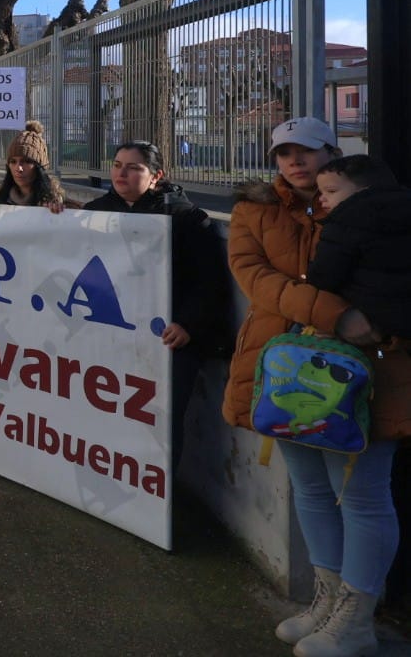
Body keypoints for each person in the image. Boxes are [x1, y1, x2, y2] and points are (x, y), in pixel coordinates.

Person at [222, 117, 410, 656]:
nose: (294, 163)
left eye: (305, 152)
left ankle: (357, 618)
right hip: (285, 368)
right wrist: (336, 313)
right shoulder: (253, 209)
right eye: (283, 154)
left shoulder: (371, 204)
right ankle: (327, 603)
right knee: (310, 489)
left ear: (332, 152)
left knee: (363, 494)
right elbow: (253, 275)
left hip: (372, 367)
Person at [83, 141, 231, 468]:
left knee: (158, 422)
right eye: (118, 164)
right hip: (111, 337)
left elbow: (210, 282)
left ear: (156, 175)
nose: (122, 173)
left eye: (134, 167)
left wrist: (188, 324)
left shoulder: (187, 218)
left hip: (168, 341)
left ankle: (160, 498)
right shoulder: (93, 212)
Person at [309, 155, 411, 341]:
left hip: (369, 317)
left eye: (330, 191)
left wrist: (310, 277)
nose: (321, 199)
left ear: (364, 190)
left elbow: (325, 275)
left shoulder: (344, 220)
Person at [0, 121, 65, 211]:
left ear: (39, 167)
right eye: (13, 161)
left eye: (27, 161)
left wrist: (56, 213)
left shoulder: (55, 202)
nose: (18, 168)